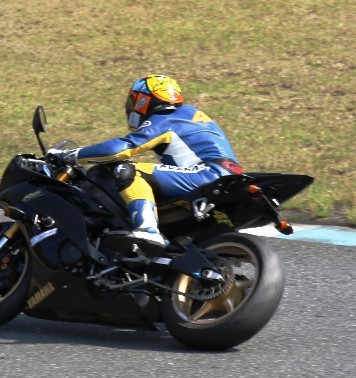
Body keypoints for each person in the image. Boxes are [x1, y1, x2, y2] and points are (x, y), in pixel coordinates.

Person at [47, 74, 242, 252]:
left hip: (207, 174)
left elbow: (119, 150)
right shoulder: (191, 116)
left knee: (128, 170)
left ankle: (148, 230)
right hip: (228, 177)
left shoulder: (165, 119)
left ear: (144, 100)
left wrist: (72, 155)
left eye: (133, 101)